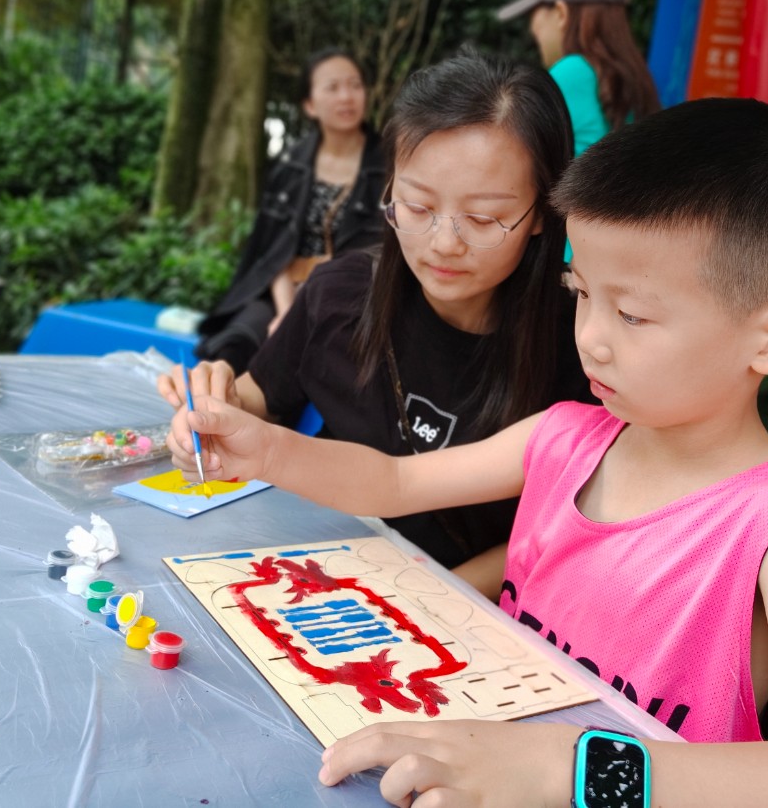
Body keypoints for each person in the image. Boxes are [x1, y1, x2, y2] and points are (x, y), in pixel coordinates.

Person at [169, 98, 768, 806]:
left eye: (632, 313)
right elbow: (391, 481)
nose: (591, 337)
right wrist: (266, 450)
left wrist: (567, 765)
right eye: (581, 293)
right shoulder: (564, 437)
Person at [163, 51, 591, 599]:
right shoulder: (340, 294)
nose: (443, 243)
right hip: (311, 578)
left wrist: (427, 604)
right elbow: (255, 402)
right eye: (417, 206)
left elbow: (555, 530)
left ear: (543, 212)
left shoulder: (585, 345)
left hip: (460, 614)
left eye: (483, 218)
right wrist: (211, 411)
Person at [194, 49, 385, 372]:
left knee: (312, 360)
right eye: (333, 87)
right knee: (235, 346)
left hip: (350, 297)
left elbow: (380, 256)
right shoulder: (291, 164)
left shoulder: (391, 165)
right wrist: (286, 312)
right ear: (309, 105)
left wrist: (300, 312)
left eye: (355, 85)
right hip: (283, 290)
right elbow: (274, 251)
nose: (347, 96)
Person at [498, 0, 660, 155]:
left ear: (561, 13)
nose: (532, 29)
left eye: (533, 13)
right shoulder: (634, 77)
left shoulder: (572, 72)